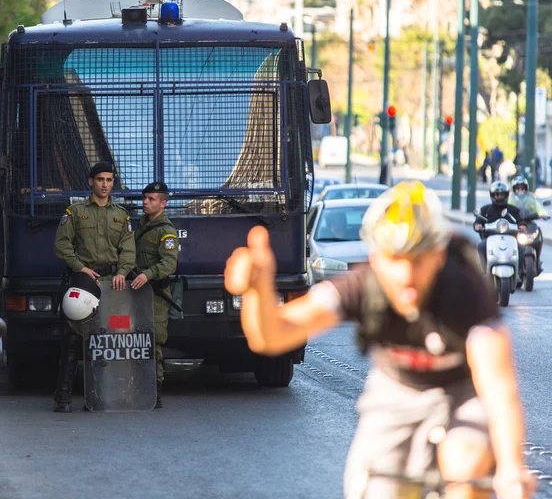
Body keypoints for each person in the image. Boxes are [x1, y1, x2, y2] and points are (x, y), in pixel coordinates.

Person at [225, 181, 532, 499]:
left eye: (418, 259)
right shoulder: (364, 285)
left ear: (439, 254)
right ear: (375, 257)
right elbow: (272, 337)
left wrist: (511, 467)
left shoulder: (464, 290)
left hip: (463, 393)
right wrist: (257, 291)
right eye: (395, 260)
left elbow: (499, 387)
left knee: (466, 468)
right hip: (395, 394)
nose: (406, 276)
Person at [52, 162, 136, 413]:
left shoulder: (121, 214)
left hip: (113, 284)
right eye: (100, 179)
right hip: (84, 281)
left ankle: (100, 395)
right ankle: (63, 396)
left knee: (110, 337)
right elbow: (62, 245)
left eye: (109, 180)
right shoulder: (75, 212)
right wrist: (80, 267)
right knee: (74, 337)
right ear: (91, 181)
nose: (105, 184)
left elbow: (128, 249)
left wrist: (122, 271)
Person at [130, 182, 179, 409]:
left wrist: (148, 275)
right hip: (136, 291)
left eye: (151, 199)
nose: (145, 202)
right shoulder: (141, 226)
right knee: (134, 337)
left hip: (155, 293)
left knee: (154, 340)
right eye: (145, 198)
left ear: (163, 203)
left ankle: (156, 391)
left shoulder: (166, 231)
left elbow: (169, 264)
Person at [474, 181, 523, 273]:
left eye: (502, 195)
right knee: (481, 246)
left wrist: (522, 225)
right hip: (490, 239)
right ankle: (485, 270)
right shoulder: (485, 209)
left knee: (522, 248)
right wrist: (478, 225)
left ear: (506, 195)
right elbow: (478, 221)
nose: (499, 197)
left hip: (511, 239)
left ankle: (519, 271)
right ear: (492, 195)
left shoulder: (513, 210)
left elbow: (520, 220)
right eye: (497, 194)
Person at [509, 175, 549, 270]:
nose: (520, 190)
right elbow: (506, 209)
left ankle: (537, 259)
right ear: (514, 189)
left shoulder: (530, 198)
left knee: (538, 233)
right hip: (516, 224)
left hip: (529, 222)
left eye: (522, 188)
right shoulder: (511, 199)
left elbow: (538, 207)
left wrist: (543, 214)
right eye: (518, 188)